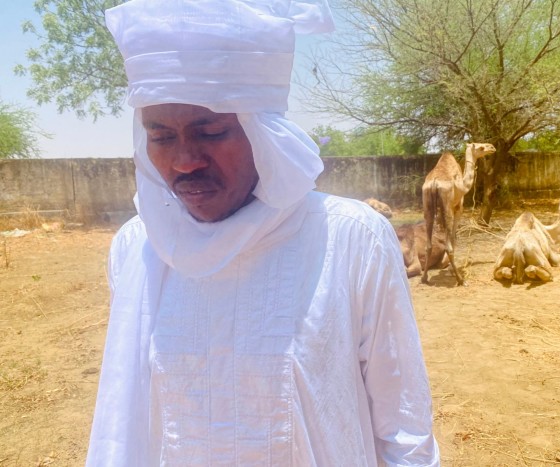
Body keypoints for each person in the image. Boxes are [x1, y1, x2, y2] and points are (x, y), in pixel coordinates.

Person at [86, 0, 440, 465]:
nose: (184, 161)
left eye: (210, 131)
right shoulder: (137, 249)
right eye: (161, 136)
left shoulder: (350, 238)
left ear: (265, 132)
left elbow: (403, 421)